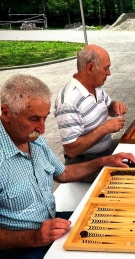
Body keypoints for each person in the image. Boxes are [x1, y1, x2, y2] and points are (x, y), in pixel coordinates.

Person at [0, 74, 135, 259]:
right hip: (20, 248)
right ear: (6, 112)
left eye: (44, 118)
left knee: (117, 222)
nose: (42, 129)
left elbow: (63, 174)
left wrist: (105, 161)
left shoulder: (34, 140)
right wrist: (33, 237)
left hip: (51, 224)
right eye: (33, 119)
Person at [54, 44, 129, 182]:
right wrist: (105, 128)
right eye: (106, 68)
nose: (109, 73)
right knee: (130, 175)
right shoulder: (69, 101)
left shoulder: (96, 87)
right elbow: (72, 150)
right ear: (90, 68)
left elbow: (108, 106)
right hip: (84, 162)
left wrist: (115, 106)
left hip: (106, 149)